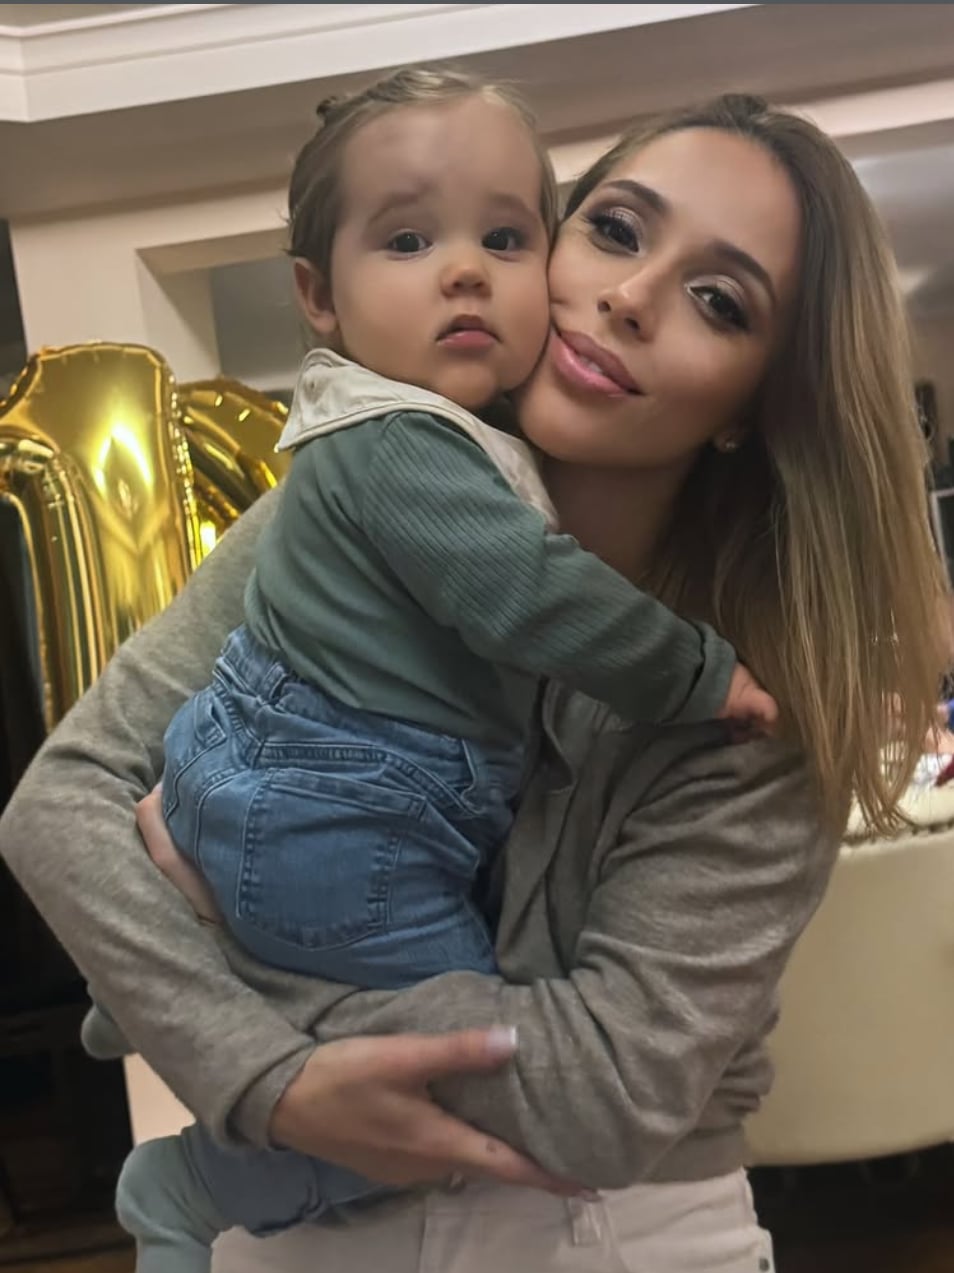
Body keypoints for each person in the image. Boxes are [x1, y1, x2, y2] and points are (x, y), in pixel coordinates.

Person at [1, 89, 947, 1272]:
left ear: (755, 407)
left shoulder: (760, 697)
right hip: (285, 1225)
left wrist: (223, 952)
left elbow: (603, 1094)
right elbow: (59, 807)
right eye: (615, 230)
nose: (632, 296)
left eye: (720, 300)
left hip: (606, 1233)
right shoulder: (349, 506)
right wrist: (260, 1076)